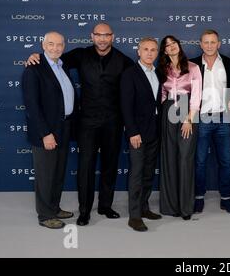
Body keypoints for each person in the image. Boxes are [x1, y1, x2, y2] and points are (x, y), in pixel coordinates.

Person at [27, 23, 134, 226]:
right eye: (98, 35)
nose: (102, 39)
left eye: (106, 35)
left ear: (113, 37)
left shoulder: (124, 61)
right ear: (92, 36)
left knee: (110, 165)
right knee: (85, 167)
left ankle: (105, 205)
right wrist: (36, 56)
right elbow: (51, 61)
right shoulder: (80, 55)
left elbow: (137, 82)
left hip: (113, 121)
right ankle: (84, 211)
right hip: (87, 122)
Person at [22, 31, 77, 229]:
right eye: (51, 44)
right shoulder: (34, 69)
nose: (55, 48)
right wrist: (45, 133)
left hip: (64, 127)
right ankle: (45, 215)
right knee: (45, 175)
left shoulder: (63, 66)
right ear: (43, 45)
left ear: (64, 46)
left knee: (57, 173)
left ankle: (54, 207)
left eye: (59, 44)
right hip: (46, 131)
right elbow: (32, 106)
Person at [189, 29, 230, 214]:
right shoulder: (192, 64)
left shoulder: (227, 63)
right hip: (201, 118)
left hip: (223, 118)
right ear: (200, 44)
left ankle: (226, 199)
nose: (209, 45)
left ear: (219, 44)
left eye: (213, 42)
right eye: (206, 42)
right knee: (199, 161)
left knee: (226, 161)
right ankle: (198, 198)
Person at [157, 35, 202, 220]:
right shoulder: (162, 69)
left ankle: (185, 207)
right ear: (165, 50)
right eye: (167, 45)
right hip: (168, 111)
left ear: (179, 45)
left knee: (185, 159)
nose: (171, 47)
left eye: (173, 43)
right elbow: (161, 94)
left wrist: (189, 119)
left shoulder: (193, 68)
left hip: (186, 112)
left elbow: (197, 96)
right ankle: (171, 206)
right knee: (169, 158)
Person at [120, 38, 162, 232]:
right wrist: (133, 131)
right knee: (136, 173)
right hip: (138, 132)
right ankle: (134, 216)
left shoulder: (158, 73)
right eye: (145, 49)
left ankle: (144, 207)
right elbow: (126, 106)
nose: (149, 53)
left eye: (153, 50)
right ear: (138, 52)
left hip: (154, 130)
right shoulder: (130, 74)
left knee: (147, 172)